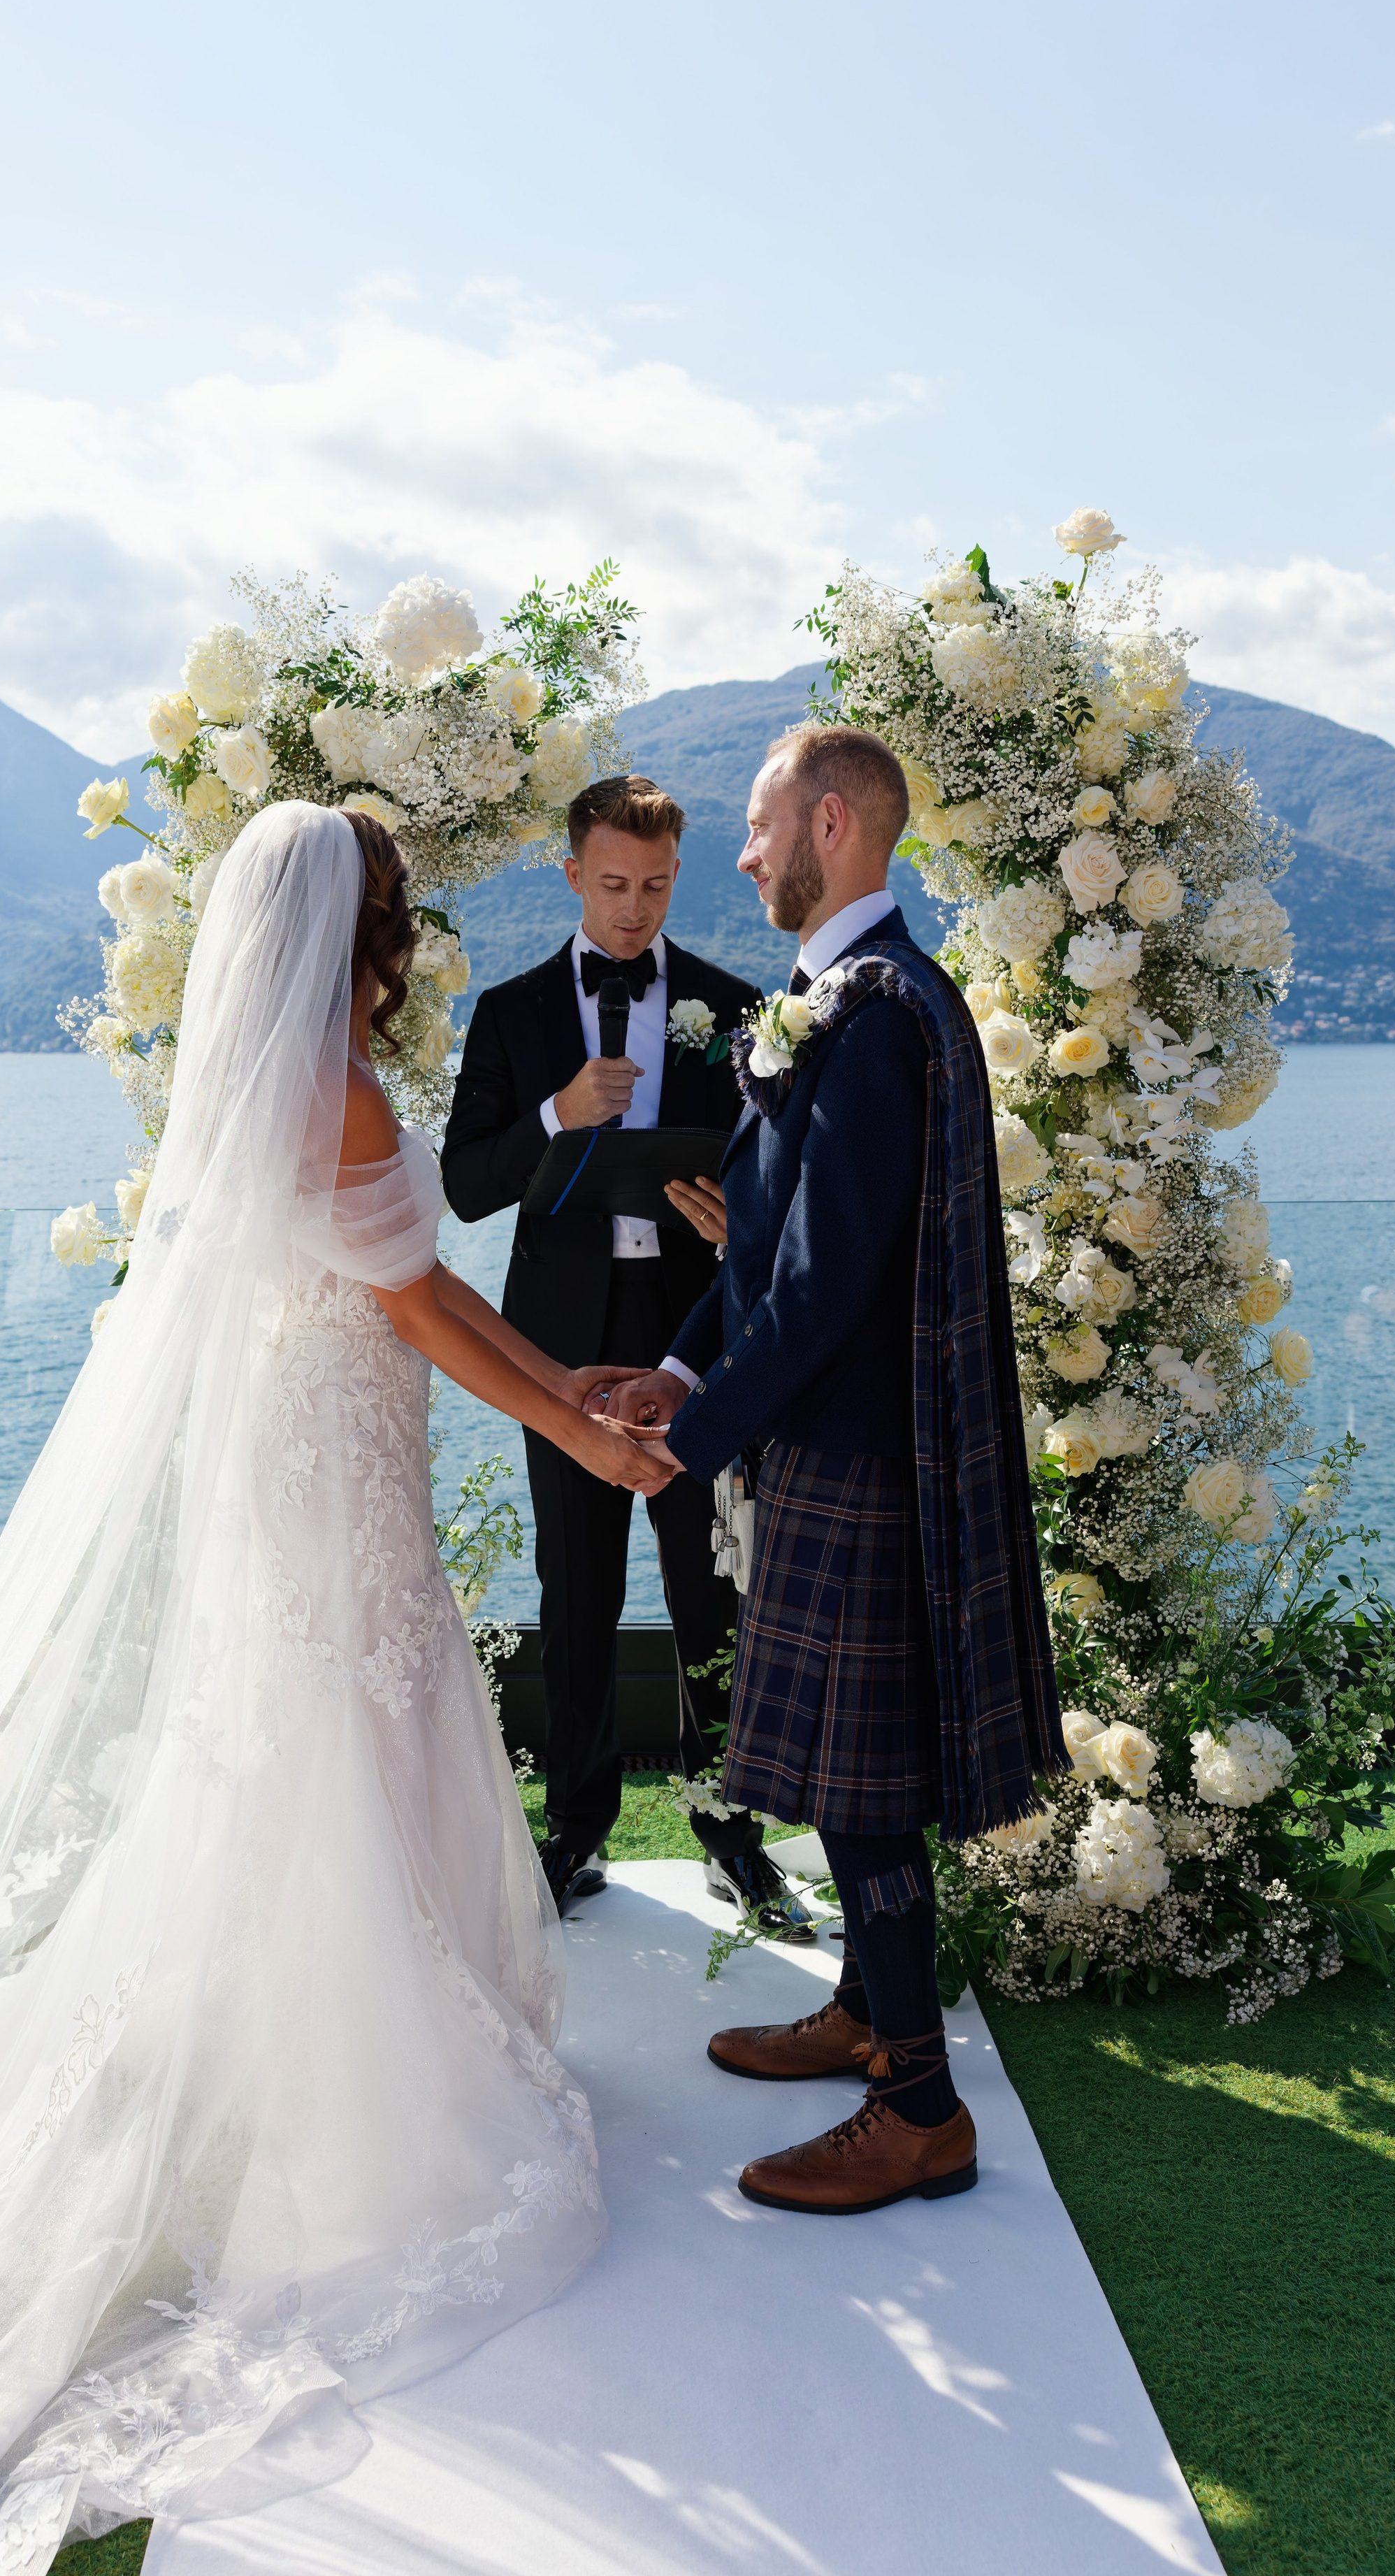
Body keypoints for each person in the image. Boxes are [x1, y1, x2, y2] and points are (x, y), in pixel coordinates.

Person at [0, 803, 670, 2567]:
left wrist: (569, 1379)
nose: (414, 943)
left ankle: (256, 2035)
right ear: (356, 934)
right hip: (339, 1460)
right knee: (349, 1729)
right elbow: (422, 1310)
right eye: (400, 917)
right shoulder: (349, 1097)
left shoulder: (246, 1091)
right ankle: (344, 2092)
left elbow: (419, 1288)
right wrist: (573, 1431)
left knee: (291, 1736)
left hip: (293, 1457)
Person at [601, 726, 1065, 2214]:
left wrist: (684, 1440)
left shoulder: (873, 1013)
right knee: (843, 1772)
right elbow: (761, 1236)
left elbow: (824, 1289)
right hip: (827, 1432)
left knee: (864, 1788)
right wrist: (674, 1369)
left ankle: (917, 2104)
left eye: (750, 828)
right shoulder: (837, 1003)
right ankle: (867, 2011)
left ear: (828, 821)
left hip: (857, 1446)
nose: (739, 859)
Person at [442, 775, 811, 1938]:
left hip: (697, 1337)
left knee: (716, 1596)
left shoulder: (734, 1001)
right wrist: (555, 1114)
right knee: (577, 1589)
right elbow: (459, 1186)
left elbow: (780, 1190)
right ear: (571, 876)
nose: (634, 909)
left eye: (654, 887)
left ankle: (734, 1837)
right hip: (555, 1345)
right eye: (612, 885)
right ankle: (574, 1831)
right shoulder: (508, 1014)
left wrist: (735, 1221)